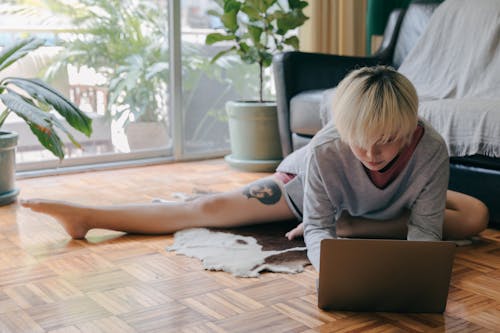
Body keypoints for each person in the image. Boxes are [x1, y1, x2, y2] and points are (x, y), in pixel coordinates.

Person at [21, 66, 489, 271]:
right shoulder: (326, 150)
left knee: (475, 217)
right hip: (303, 191)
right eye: (358, 144)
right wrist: (332, 264)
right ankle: (89, 215)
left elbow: (426, 236)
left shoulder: (430, 150)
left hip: (372, 209)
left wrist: (413, 275)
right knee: (205, 208)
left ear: (409, 128)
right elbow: (318, 232)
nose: (371, 154)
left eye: (385, 143)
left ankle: (359, 224)